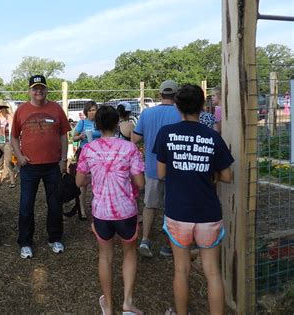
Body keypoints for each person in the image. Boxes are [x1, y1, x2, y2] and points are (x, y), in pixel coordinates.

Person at [153, 84, 234, 315]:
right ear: (202, 106)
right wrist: (207, 172)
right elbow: (227, 176)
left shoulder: (166, 134)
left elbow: (161, 174)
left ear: (177, 106)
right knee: (213, 273)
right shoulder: (213, 137)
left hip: (178, 212)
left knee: (181, 270)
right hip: (208, 213)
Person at [76, 105, 145, 315]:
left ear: (96, 125)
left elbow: (79, 181)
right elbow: (140, 182)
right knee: (129, 253)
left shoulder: (88, 149)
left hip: (101, 212)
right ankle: (127, 303)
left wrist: (94, 176)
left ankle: (108, 305)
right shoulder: (130, 149)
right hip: (126, 211)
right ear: (117, 124)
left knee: (105, 256)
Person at [11, 74, 71, 259]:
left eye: (42, 88)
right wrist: (19, 157)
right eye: (35, 88)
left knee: (54, 204)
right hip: (29, 167)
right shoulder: (21, 110)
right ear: (29, 91)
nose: (39, 91)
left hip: (53, 166)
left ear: (46, 89)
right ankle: (25, 242)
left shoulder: (56, 109)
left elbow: (63, 136)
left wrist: (63, 159)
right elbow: (13, 137)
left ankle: (55, 238)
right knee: (26, 206)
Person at [131, 80, 181, 258]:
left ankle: (145, 240)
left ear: (160, 95)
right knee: (172, 208)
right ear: (176, 96)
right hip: (176, 169)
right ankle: (168, 246)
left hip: (152, 168)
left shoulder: (147, 113)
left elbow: (135, 139)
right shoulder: (181, 113)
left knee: (150, 205)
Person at [71, 100, 101, 220]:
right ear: (86, 112)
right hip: (84, 153)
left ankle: (96, 208)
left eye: (94, 110)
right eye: (90, 110)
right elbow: (74, 138)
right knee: (83, 183)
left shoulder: (100, 123)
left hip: (98, 154)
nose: (92, 113)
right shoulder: (82, 123)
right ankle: (82, 210)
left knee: (97, 182)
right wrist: (80, 136)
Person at [0, 99, 16, 188]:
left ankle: (12, 181)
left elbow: (13, 129)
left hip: (7, 142)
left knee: (9, 161)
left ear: (2, 108)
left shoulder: (8, 117)